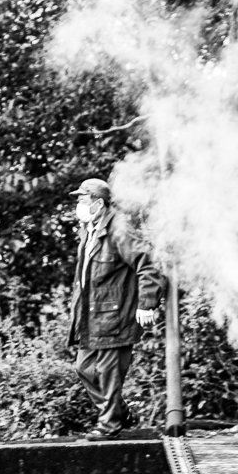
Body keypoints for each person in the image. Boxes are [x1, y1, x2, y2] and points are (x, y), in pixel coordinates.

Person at [68, 178, 166, 440]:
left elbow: (149, 266)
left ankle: (109, 425)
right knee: (84, 368)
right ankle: (120, 413)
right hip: (92, 317)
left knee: (109, 372)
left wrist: (147, 304)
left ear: (98, 203)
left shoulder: (119, 229)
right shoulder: (90, 229)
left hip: (115, 316)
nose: (78, 204)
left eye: (82, 199)